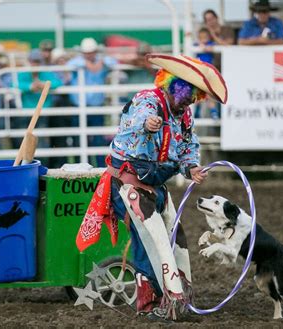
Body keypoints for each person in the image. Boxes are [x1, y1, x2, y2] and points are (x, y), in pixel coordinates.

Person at [76, 53, 228, 321]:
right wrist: (148, 123)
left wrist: (190, 167)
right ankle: (152, 305)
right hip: (128, 181)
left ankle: (177, 300)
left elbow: (187, 145)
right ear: (176, 88)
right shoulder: (147, 100)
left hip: (153, 183)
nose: (191, 101)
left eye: (195, 96)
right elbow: (137, 120)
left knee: (172, 240)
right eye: (189, 95)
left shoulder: (184, 115)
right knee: (149, 242)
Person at [67, 38, 118, 167]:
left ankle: (100, 167)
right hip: (79, 106)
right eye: (86, 52)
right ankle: (82, 166)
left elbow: (114, 62)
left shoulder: (103, 61)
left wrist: (98, 62)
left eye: (91, 52)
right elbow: (69, 65)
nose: (89, 55)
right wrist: (90, 64)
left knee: (98, 140)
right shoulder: (77, 62)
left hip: (96, 107)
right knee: (79, 139)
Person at [15, 49, 63, 163]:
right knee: (24, 140)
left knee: (42, 141)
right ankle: (26, 163)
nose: (35, 64)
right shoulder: (23, 74)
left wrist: (44, 85)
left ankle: (40, 163)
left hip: (42, 112)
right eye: (33, 61)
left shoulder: (46, 73)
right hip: (27, 111)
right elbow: (14, 84)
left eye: (37, 61)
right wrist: (30, 86)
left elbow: (58, 82)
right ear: (29, 61)